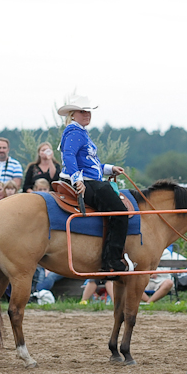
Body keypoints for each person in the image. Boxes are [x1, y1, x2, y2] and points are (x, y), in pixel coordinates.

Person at [57, 95, 131, 273]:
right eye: (83, 111)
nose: (87, 114)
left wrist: (110, 168)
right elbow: (69, 156)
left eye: (88, 111)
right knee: (120, 212)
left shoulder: (80, 132)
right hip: (85, 181)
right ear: (73, 114)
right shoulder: (75, 132)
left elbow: (90, 163)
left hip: (87, 177)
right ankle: (112, 260)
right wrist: (77, 179)